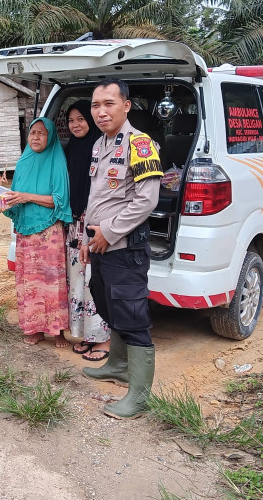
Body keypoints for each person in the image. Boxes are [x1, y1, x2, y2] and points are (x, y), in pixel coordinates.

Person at [79, 79, 162, 419]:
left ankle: (139, 397)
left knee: (131, 315)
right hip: (100, 245)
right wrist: (88, 240)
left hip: (124, 247)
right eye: (96, 104)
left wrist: (109, 234)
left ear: (126, 106)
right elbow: (97, 198)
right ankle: (117, 365)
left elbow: (147, 200)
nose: (101, 111)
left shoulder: (140, 144)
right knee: (109, 305)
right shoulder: (100, 144)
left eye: (109, 103)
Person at [2, 118, 73, 348]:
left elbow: (59, 201)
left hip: (49, 231)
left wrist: (27, 196)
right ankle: (35, 328)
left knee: (52, 281)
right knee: (30, 281)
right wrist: (1, 190)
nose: (35, 137)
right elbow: (15, 197)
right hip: (26, 230)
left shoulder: (56, 161)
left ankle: (58, 331)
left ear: (50, 137)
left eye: (41, 133)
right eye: (32, 132)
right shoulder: (24, 162)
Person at [63, 100, 111, 361]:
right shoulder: (72, 148)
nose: (76, 124)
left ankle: (102, 338)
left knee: (95, 279)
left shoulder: (100, 146)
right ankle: (84, 333)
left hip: (93, 222)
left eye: (81, 119)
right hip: (73, 222)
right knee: (76, 280)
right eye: (71, 120)